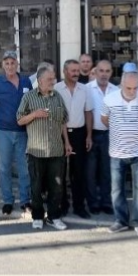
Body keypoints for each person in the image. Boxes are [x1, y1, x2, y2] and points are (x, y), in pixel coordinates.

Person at [101, 72, 138, 237]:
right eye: (128, 88)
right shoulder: (110, 99)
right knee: (117, 189)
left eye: (135, 88)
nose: (132, 91)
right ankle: (121, 220)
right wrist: (120, 130)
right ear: (121, 85)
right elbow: (105, 119)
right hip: (117, 152)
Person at [17, 65, 72, 230]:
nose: (53, 82)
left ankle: (54, 217)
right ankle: (37, 216)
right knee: (36, 187)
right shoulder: (29, 97)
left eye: (53, 79)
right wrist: (34, 114)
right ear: (40, 81)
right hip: (36, 151)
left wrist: (67, 143)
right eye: (49, 79)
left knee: (57, 186)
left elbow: (63, 121)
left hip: (56, 150)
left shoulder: (57, 97)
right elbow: (19, 120)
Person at [0, 50, 33, 215]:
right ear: (2, 65)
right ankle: (7, 200)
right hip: (3, 132)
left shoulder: (26, 81)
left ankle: (25, 200)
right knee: (4, 168)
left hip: (23, 132)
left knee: (24, 168)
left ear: (17, 64)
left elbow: (31, 105)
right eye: (6, 63)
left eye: (12, 62)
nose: (10, 66)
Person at [54, 59, 93, 218]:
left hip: (79, 134)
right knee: (60, 171)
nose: (76, 73)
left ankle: (79, 206)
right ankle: (62, 204)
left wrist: (89, 135)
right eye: (73, 71)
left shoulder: (84, 89)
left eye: (78, 70)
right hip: (59, 134)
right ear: (65, 72)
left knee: (78, 172)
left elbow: (88, 112)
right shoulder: (56, 89)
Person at [86, 60, 118, 215]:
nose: (104, 74)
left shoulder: (116, 91)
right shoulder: (87, 89)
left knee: (107, 171)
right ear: (96, 71)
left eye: (107, 71)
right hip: (91, 135)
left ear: (111, 73)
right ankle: (93, 203)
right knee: (90, 173)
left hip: (109, 135)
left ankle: (106, 202)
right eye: (101, 71)